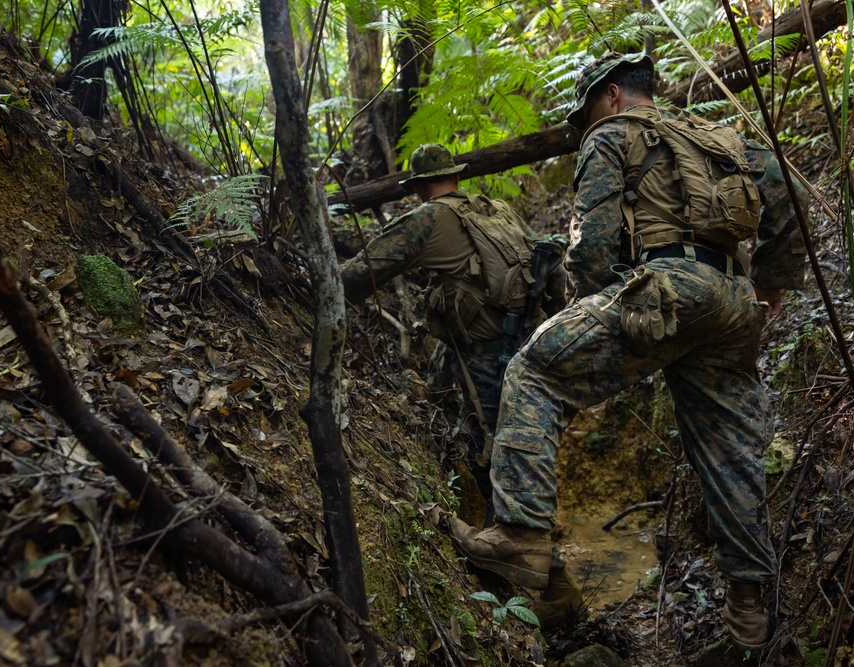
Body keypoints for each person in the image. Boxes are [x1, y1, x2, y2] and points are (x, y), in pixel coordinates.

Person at [450, 52, 809, 648]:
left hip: (667, 289)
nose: (583, 125)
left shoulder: (612, 134)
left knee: (533, 371)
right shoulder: (712, 135)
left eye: (586, 110)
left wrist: (593, 318)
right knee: (728, 449)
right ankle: (750, 611)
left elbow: (592, 245)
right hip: (733, 303)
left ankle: (520, 537)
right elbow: (792, 193)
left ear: (612, 95)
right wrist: (766, 285)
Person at [341, 143, 565, 527]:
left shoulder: (427, 219)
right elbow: (553, 268)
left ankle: (530, 560)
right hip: (526, 342)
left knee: (496, 455)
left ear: (418, 187)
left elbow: (360, 272)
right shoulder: (496, 209)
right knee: (493, 436)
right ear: (456, 176)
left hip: (486, 355)